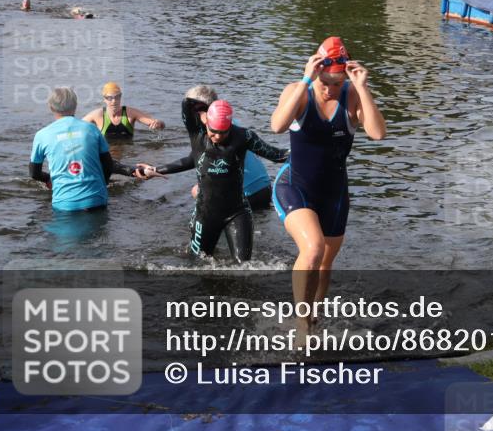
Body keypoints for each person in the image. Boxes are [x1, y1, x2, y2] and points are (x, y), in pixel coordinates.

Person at [270, 36, 386, 336]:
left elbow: (377, 133)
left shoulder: (351, 94)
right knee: (313, 248)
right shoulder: (300, 92)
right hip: (294, 185)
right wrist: (305, 80)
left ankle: (313, 322)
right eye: (325, 80)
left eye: (336, 82)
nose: (329, 88)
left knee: (323, 264)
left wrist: (361, 86)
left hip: (333, 192)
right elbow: (277, 126)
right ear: (316, 71)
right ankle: (300, 324)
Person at [143, 100, 289, 263]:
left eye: (224, 132)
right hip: (205, 214)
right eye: (214, 132)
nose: (218, 136)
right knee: (196, 263)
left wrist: (309, 151)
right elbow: (187, 104)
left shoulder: (244, 136)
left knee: (244, 267)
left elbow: (277, 155)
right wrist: (155, 169)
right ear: (206, 122)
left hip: (237, 211)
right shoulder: (197, 135)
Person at [30, 87, 139, 212]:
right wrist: (102, 184)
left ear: (50, 107)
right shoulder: (92, 129)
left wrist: (48, 179)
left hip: (64, 205)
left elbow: (34, 173)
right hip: (96, 201)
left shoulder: (42, 135)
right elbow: (108, 165)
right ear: (75, 106)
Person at [182, 85, 274, 211]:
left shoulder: (213, 133)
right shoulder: (230, 123)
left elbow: (191, 161)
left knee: (197, 190)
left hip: (246, 197)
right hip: (265, 190)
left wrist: (157, 170)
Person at [82, 82, 164, 139]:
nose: (114, 101)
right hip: (107, 154)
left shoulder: (130, 113)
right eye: (110, 98)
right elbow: (76, 126)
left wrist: (159, 124)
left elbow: (158, 124)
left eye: (117, 97)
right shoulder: (97, 115)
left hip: (127, 154)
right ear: (104, 99)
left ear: (121, 96)